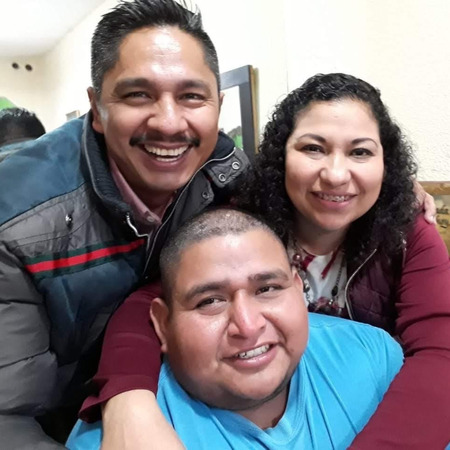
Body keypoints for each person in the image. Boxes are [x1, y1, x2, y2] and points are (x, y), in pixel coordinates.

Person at [81, 73, 449, 450]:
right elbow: (156, 302)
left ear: (386, 162)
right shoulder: (243, 223)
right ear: (281, 155)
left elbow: (442, 351)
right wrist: (128, 400)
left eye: (361, 152)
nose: (336, 175)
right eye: (313, 148)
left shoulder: (407, 234)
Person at [0, 0, 248, 448]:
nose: (169, 123)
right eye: (138, 95)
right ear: (96, 109)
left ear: (218, 104)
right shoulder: (16, 220)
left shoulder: (223, 172)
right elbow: (8, 417)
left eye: (192, 96)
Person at [67, 208, 404, 449]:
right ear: (163, 324)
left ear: (298, 289)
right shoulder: (114, 438)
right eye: (210, 301)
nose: (248, 325)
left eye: (267, 288)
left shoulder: (374, 358)